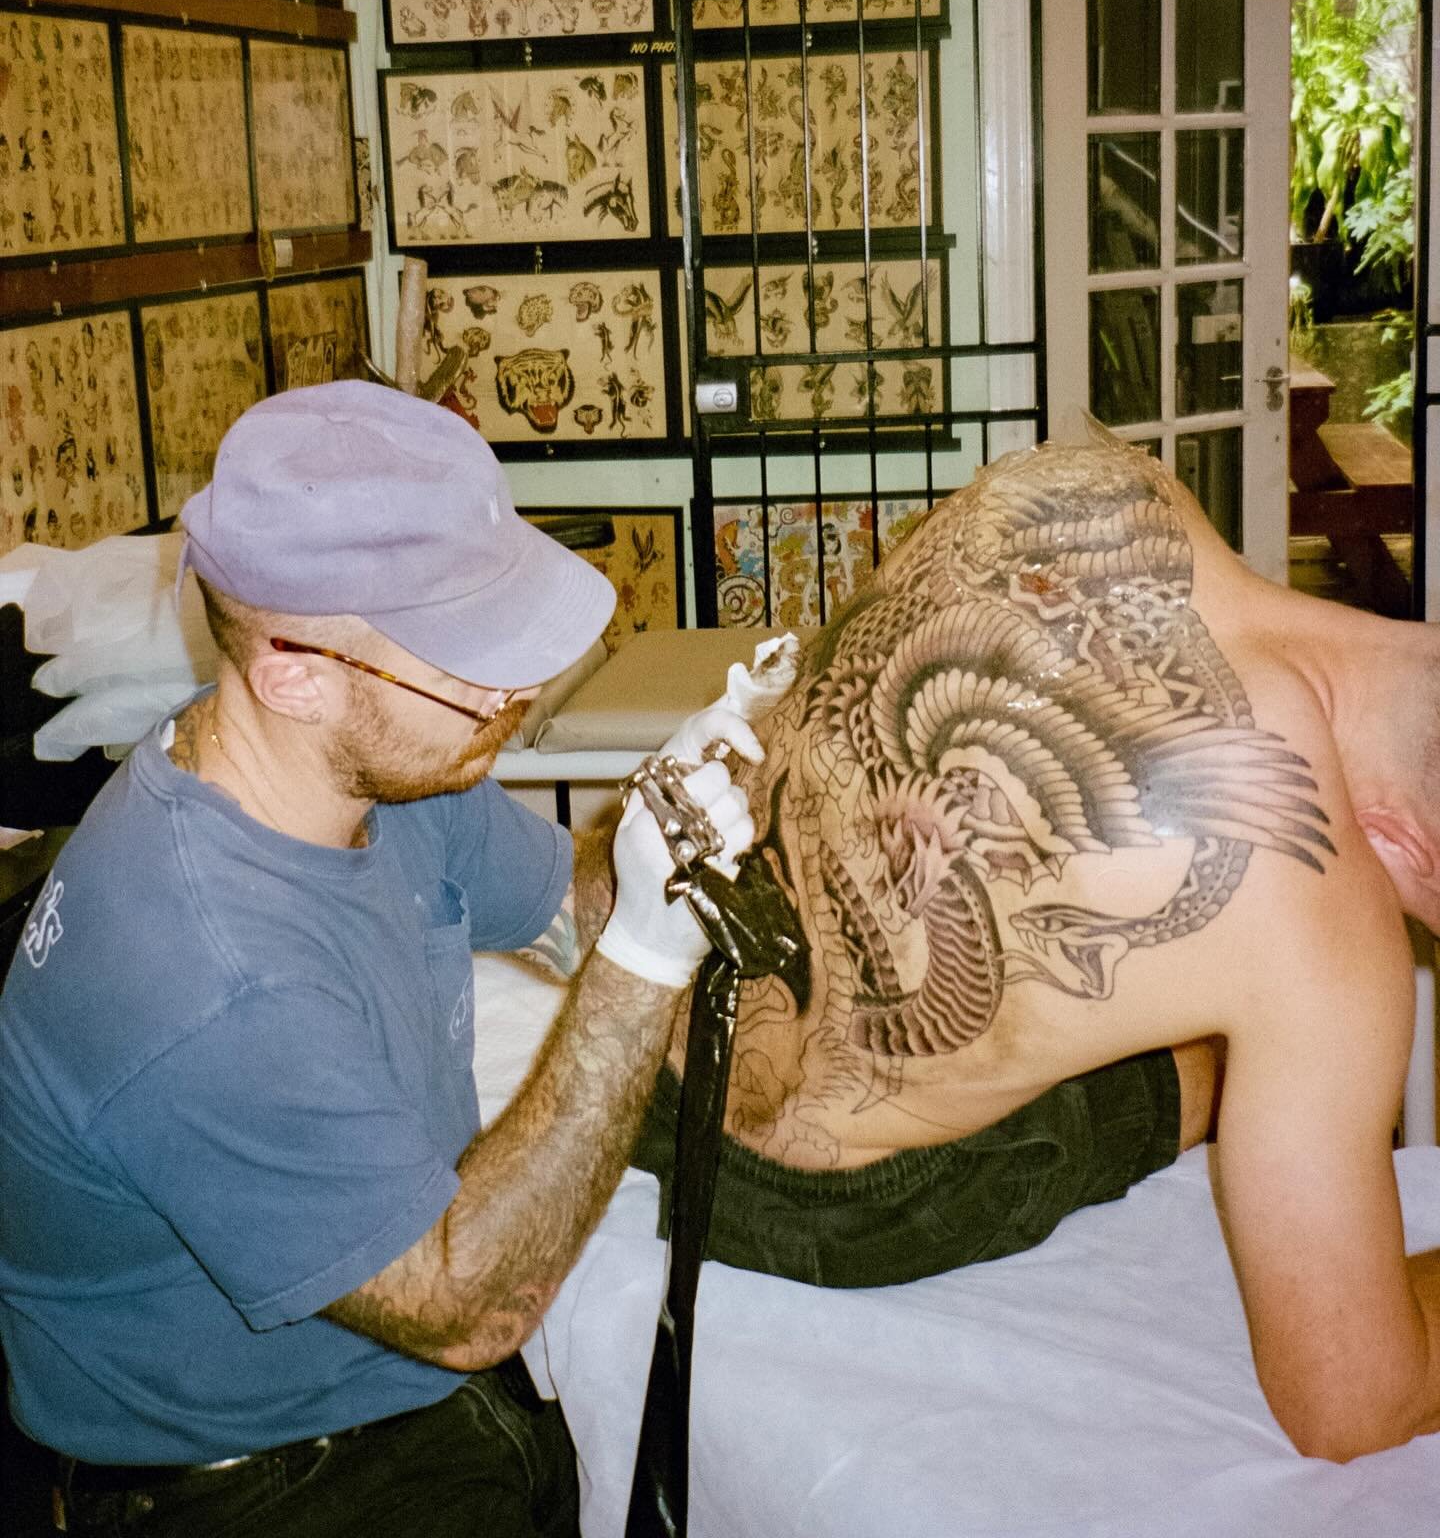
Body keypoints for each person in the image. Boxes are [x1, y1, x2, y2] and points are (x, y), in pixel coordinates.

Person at [0, 379, 758, 1537]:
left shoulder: (383, 777)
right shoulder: (207, 974)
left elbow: (577, 908)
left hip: (407, 1398)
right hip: (257, 1485)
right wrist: (643, 966)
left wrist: (682, 806)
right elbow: (471, 1305)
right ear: (293, 671)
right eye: (464, 658)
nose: (513, 693)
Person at [635, 435, 1440, 1463]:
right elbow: (1349, 1408)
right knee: (1233, 1056)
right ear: (1411, 847)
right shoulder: (1326, 935)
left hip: (666, 971)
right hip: (771, 1185)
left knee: (1227, 1024)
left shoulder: (1101, 479)